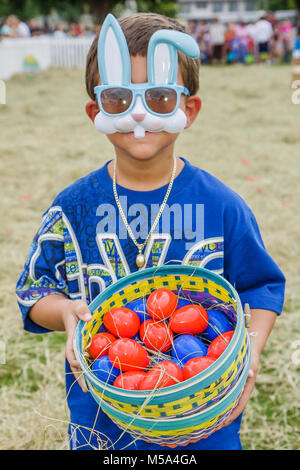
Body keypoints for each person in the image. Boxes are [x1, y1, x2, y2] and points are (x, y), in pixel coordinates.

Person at [16, 12, 285, 451]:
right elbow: (33, 289)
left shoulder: (222, 206)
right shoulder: (72, 207)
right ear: (95, 110)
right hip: (103, 422)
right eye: (119, 99)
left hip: (202, 418)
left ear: (189, 109)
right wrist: (66, 313)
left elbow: (261, 287)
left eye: (159, 98)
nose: (138, 113)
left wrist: (247, 357)